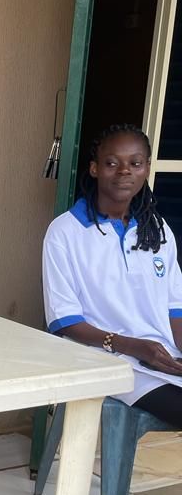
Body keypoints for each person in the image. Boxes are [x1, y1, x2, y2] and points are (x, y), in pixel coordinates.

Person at [43, 123, 182, 425]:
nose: (124, 172)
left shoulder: (157, 231)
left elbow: (175, 308)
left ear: (146, 169)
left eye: (135, 163)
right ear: (94, 169)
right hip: (106, 359)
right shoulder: (65, 232)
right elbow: (64, 321)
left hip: (162, 357)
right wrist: (132, 346)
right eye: (111, 163)